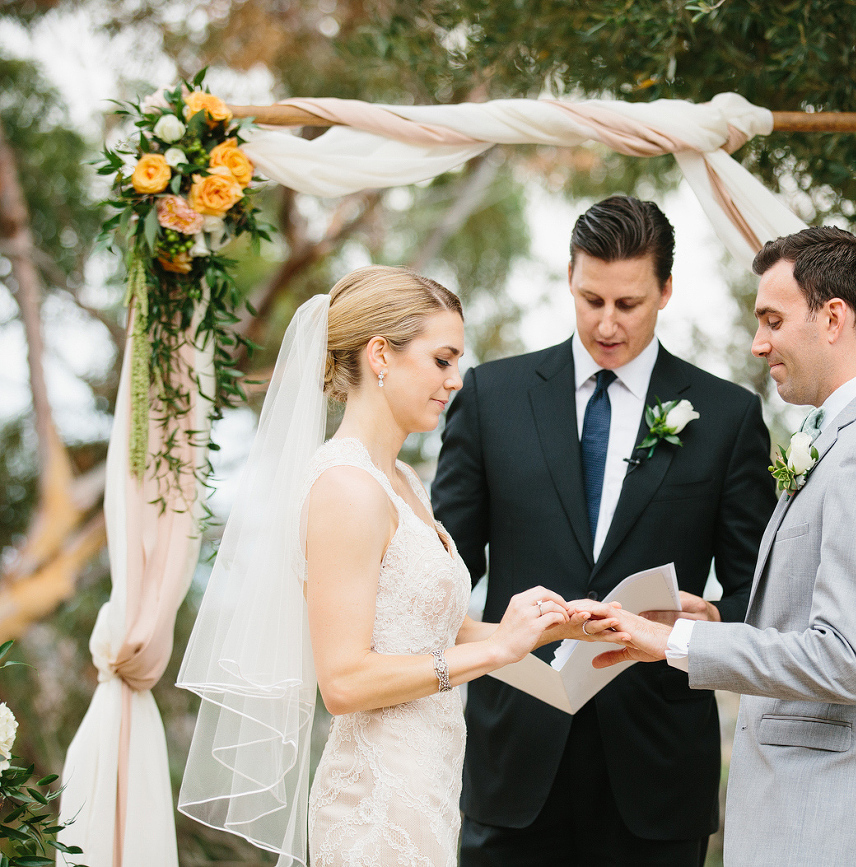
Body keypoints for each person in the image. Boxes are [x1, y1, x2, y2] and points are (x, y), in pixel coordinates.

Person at [177, 266, 619, 867]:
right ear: (380, 354)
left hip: (426, 789)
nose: (456, 381)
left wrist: (564, 626)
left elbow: (430, 628)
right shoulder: (346, 488)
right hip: (372, 805)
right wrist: (499, 652)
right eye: (442, 360)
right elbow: (344, 682)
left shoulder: (403, 481)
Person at [582, 227, 856, 866]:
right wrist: (711, 618)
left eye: (773, 320)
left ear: (834, 318)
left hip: (839, 828)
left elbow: (846, 659)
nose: (759, 343)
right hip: (814, 821)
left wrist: (671, 644)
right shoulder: (851, 439)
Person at [431, 196, 776, 866]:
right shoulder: (490, 397)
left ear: (666, 290)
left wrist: (706, 617)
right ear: (568, 276)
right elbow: (443, 579)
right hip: (515, 760)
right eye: (591, 299)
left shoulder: (728, 416)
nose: (607, 323)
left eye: (628, 303)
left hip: (656, 772)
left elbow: (760, 597)